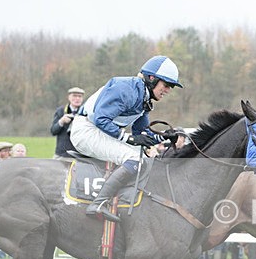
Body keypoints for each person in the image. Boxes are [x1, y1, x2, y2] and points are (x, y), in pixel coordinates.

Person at [70, 55, 182, 222]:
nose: (168, 90)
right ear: (152, 78)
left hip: (100, 131)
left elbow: (141, 133)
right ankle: (98, 203)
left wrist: (163, 137)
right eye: (166, 85)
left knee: (144, 157)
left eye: (170, 87)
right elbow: (101, 118)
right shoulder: (125, 88)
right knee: (133, 159)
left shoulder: (144, 98)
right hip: (86, 130)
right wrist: (129, 139)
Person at [51, 86, 85, 158]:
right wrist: (61, 121)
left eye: (80, 96)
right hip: (62, 154)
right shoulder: (60, 111)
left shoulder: (85, 112)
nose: (77, 99)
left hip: (79, 155)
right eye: (74, 96)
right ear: (69, 97)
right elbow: (53, 131)